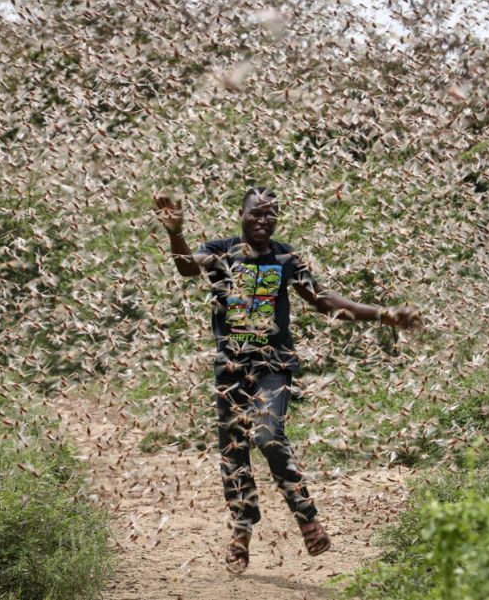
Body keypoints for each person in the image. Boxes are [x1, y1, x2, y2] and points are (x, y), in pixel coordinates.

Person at [153, 186, 421, 574]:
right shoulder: (221, 251)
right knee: (234, 451)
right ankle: (241, 533)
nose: (262, 221)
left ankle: (307, 517)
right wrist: (175, 232)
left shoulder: (286, 258)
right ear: (240, 215)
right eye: (255, 214)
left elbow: (325, 302)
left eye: (270, 215)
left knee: (268, 435)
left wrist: (383, 314)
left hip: (273, 365)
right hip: (230, 367)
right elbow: (186, 266)